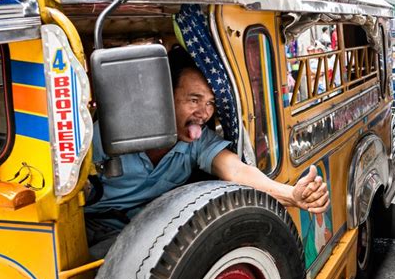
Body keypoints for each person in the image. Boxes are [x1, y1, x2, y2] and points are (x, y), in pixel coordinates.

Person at [85, 45, 330, 258]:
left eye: (210, 103)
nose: (204, 113)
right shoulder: (105, 134)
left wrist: (291, 195)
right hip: (86, 228)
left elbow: (235, 169)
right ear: (163, 97)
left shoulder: (197, 143)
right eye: (194, 100)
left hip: (142, 233)